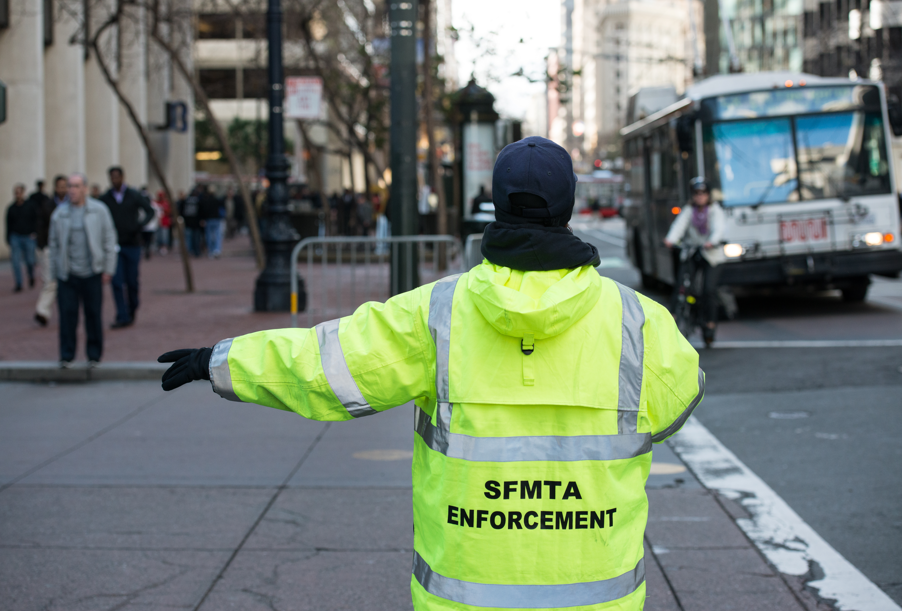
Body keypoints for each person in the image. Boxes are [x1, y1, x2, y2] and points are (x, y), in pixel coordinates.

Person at [158, 136, 704, 611]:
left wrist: (221, 360)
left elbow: (324, 366)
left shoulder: (437, 314)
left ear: (496, 204)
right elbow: (679, 401)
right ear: (569, 205)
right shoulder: (639, 322)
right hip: (597, 596)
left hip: (464, 596)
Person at [49, 173, 118, 368]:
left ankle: (94, 356)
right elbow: (53, 245)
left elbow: (109, 240)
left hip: (92, 273)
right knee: (67, 316)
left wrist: (108, 269)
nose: (72, 190)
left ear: (85, 189)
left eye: (76, 186)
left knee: (93, 315)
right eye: (70, 186)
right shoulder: (60, 214)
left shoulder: (99, 211)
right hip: (67, 274)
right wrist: (54, 273)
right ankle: (66, 356)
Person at [663, 177, 726, 345]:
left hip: (711, 255)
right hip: (692, 252)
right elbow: (678, 226)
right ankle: (674, 319)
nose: (700, 197)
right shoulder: (689, 210)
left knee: (708, 290)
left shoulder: (715, 211)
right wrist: (670, 240)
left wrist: (711, 241)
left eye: (703, 193)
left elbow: (719, 229)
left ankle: (710, 324)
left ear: (708, 195)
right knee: (681, 285)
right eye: (696, 193)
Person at [100, 166, 153, 328]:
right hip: (114, 246)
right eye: (112, 177)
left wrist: (139, 226)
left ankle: (132, 307)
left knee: (132, 281)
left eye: (117, 177)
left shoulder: (133, 195)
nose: (114, 180)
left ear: (123, 177)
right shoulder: (105, 198)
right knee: (116, 281)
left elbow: (149, 211)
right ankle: (121, 315)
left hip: (132, 244)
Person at [34, 176, 66, 325]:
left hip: (68, 249)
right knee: (50, 281)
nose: (63, 189)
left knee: (66, 283)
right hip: (49, 247)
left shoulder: (73, 205)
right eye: (60, 186)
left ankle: (67, 312)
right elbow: (40, 225)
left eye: (65, 186)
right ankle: (42, 311)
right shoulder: (47, 204)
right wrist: (41, 246)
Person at [6, 183, 38, 292]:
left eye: (19, 192)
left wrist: (35, 233)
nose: (17, 194)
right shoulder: (11, 208)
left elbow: (36, 219)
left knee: (30, 260)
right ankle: (18, 283)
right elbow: (8, 224)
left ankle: (31, 276)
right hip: (15, 237)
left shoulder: (30, 205)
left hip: (29, 236)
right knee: (15, 261)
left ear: (23, 193)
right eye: (15, 193)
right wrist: (8, 238)